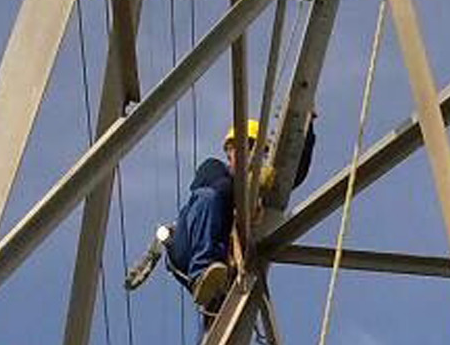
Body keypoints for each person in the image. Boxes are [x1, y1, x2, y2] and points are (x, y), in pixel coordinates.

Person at [124, 114, 317, 313]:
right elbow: (220, 189)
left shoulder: (256, 192)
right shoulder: (214, 169)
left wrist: (307, 126)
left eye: (252, 148)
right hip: (187, 249)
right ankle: (201, 274)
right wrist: (253, 182)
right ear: (230, 152)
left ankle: (214, 288)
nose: (246, 153)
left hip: (223, 257)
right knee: (210, 197)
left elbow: (294, 175)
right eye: (241, 147)